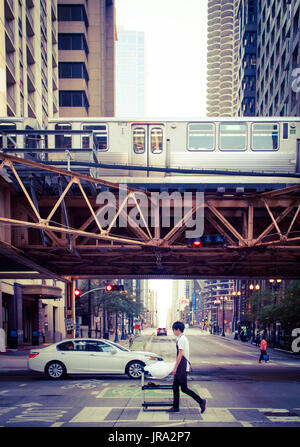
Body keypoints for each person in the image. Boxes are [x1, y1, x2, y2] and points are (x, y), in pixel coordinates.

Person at [166, 321, 207, 414]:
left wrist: (175, 367)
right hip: (182, 367)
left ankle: (201, 401)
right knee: (175, 387)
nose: (173, 332)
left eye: (174, 330)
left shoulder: (181, 339)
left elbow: (180, 354)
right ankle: (176, 407)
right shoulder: (182, 338)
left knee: (184, 388)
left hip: (182, 368)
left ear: (177, 329)